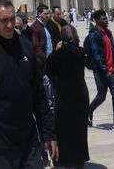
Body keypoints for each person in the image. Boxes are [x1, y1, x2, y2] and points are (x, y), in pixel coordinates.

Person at [0, 0, 57, 169]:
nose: (9, 25)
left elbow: (38, 93)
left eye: (12, 19)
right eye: (4, 21)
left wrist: (48, 133)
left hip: (28, 136)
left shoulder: (25, 46)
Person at [45, 23, 87, 169]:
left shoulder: (61, 53)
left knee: (64, 130)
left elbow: (47, 67)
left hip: (65, 97)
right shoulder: (80, 52)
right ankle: (79, 160)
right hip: (80, 95)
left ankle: (66, 160)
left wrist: (56, 50)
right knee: (79, 130)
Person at [87, 9, 114, 131]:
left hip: (112, 70)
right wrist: (105, 70)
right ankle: (89, 111)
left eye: (106, 18)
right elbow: (96, 55)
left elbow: (112, 50)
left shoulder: (108, 33)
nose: (106, 20)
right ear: (97, 21)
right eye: (103, 18)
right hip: (102, 72)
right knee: (101, 96)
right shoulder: (94, 34)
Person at [29, 4, 52, 71]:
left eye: (48, 13)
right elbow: (36, 47)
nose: (48, 16)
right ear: (39, 14)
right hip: (43, 63)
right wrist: (44, 61)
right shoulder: (35, 27)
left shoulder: (48, 25)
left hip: (51, 61)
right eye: (45, 14)